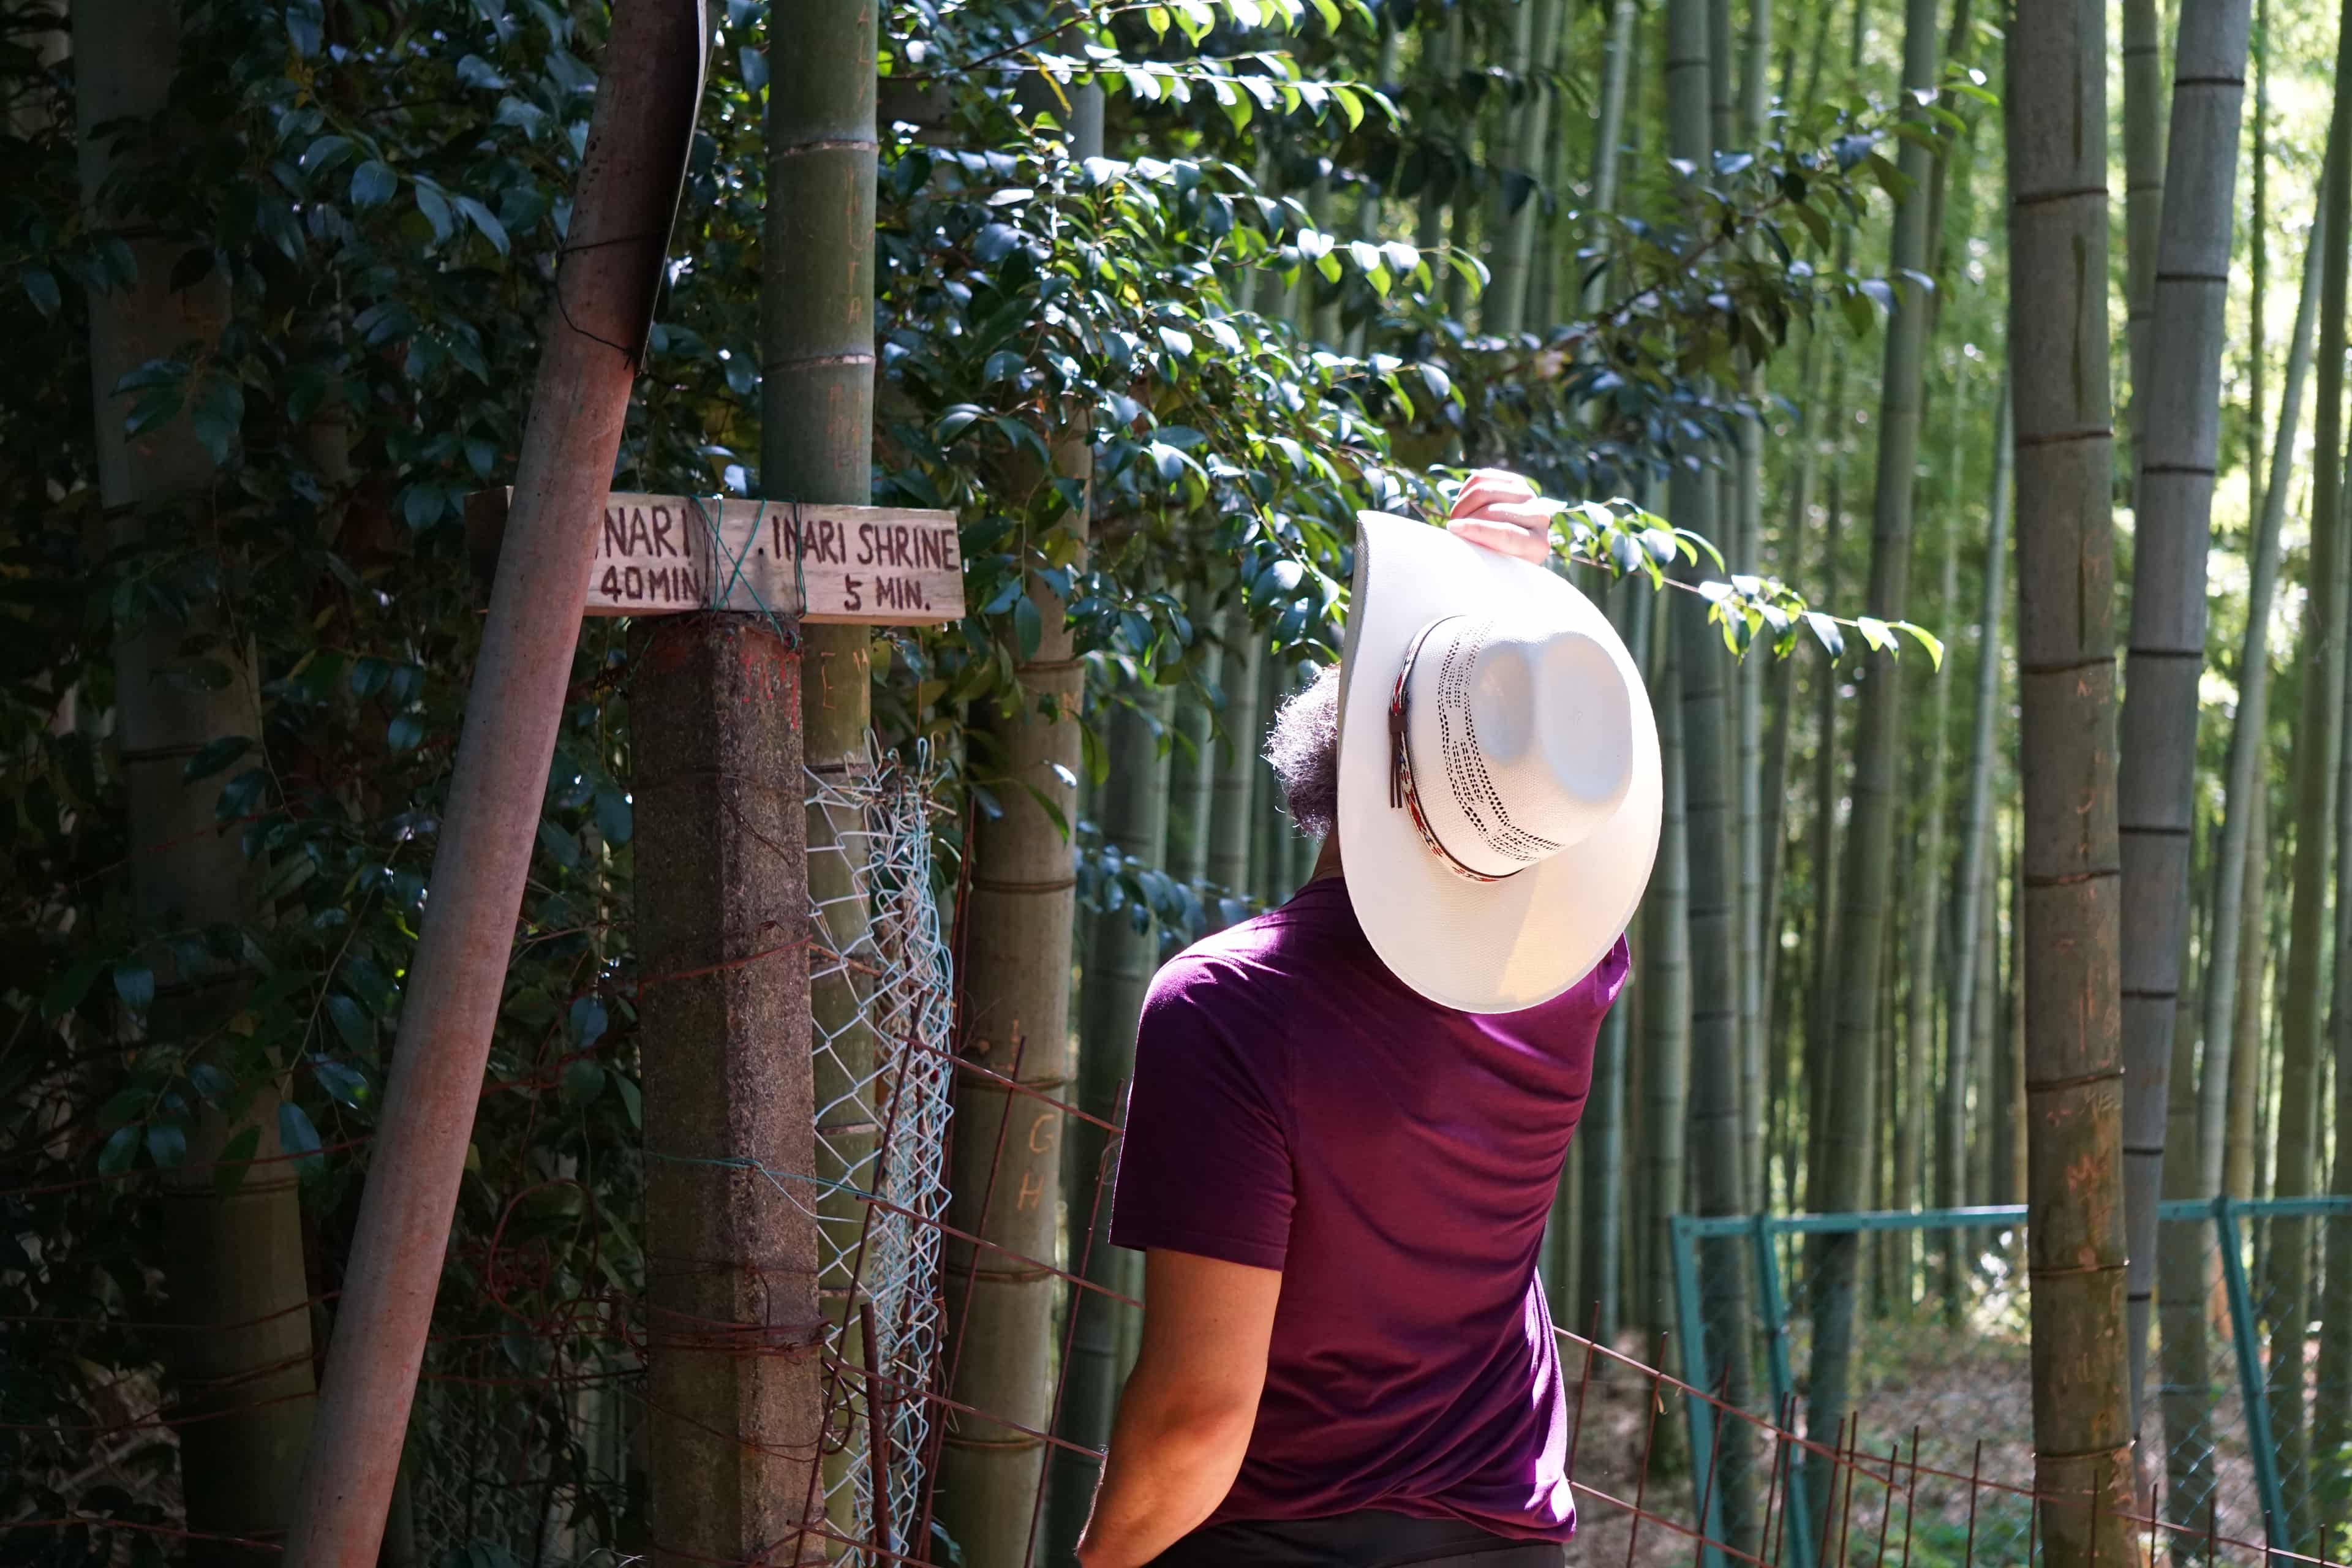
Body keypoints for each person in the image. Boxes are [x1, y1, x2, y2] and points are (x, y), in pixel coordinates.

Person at [1074, 471, 1664, 1568]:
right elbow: (1519, 784)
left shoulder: (1231, 1009)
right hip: (1511, 1539)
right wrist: (1513, 624)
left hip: (1276, 1540)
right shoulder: (1574, 978)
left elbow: (1201, 1415)